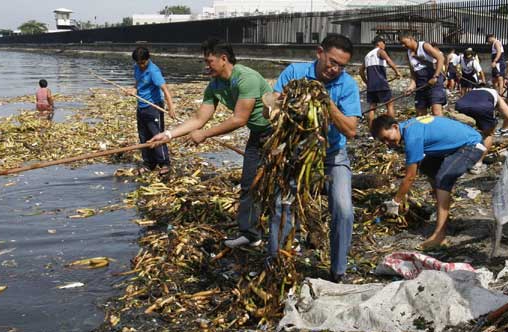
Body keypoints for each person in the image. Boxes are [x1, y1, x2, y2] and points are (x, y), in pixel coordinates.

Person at [148, 39, 272, 248]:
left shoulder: (246, 78)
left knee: (282, 189)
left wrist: (204, 134)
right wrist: (168, 134)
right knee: (249, 185)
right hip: (257, 135)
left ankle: (287, 237)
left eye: (209, 61)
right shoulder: (214, 85)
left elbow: (239, 119)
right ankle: (251, 235)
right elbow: (198, 118)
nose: (206, 66)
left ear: (224, 59)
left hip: (278, 133)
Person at [268, 34, 361, 282]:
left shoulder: (347, 85)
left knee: (343, 209)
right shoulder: (294, 72)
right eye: (332, 62)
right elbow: (272, 109)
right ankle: (278, 265)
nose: (335, 69)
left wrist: (327, 103)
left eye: (341, 65)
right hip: (295, 154)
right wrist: (290, 106)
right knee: (282, 206)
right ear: (319, 52)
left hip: (333, 155)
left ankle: (338, 271)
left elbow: (351, 130)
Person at [371, 115, 486, 249]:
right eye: (382, 141)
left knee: (443, 178)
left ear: (395, 127)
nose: (387, 143)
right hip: (461, 142)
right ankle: (443, 206)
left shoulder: (412, 138)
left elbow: (410, 177)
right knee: (427, 167)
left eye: (386, 138)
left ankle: (439, 235)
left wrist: (395, 202)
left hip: (471, 145)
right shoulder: (408, 128)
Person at [130, 46, 176, 175]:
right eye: (138, 63)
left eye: (143, 63)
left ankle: (164, 163)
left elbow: (165, 89)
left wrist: (171, 107)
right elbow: (138, 81)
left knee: (157, 135)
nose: (141, 66)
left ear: (147, 59)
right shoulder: (137, 67)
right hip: (141, 106)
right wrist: (134, 89)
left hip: (153, 106)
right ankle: (149, 163)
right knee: (144, 135)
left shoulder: (153, 71)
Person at [455, 85, 508, 174]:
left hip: (461, 105)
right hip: (483, 107)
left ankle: (457, 161)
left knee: (464, 132)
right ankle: (477, 164)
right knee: (489, 134)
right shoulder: (495, 94)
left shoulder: (473, 91)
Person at [399, 32, 446, 116]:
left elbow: (440, 58)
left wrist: (435, 77)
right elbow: (413, 73)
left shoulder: (424, 46)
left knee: (436, 112)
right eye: (401, 44)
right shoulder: (408, 54)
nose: (403, 46)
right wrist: (411, 87)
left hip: (434, 83)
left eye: (404, 42)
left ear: (411, 39)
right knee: (420, 115)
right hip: (421, 85)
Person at [359, 35, 401, 129]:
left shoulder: (367, 55)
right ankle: (391, 127)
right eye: (383, 43)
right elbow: (389, 61)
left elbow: (360, 71)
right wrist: (397, 72)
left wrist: (367, 82)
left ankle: (371, 129)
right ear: (379, 43)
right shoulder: (380, 51)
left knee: (372, 107)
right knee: (389, 104)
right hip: (381, 84)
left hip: (371, 86)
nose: (384, 45)